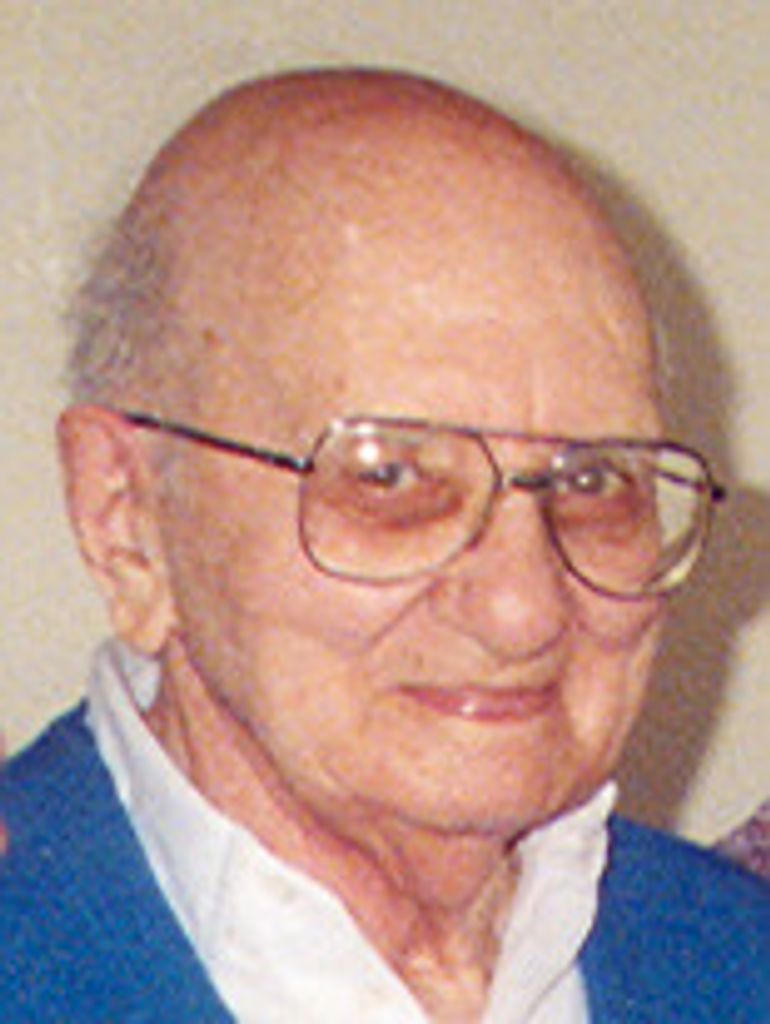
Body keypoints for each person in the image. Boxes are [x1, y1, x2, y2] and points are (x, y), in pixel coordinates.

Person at [1, 68, 768, 1023]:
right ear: (124, 517)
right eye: (392, 477)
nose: (523, 609)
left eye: (593, 482)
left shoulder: (739, 960)